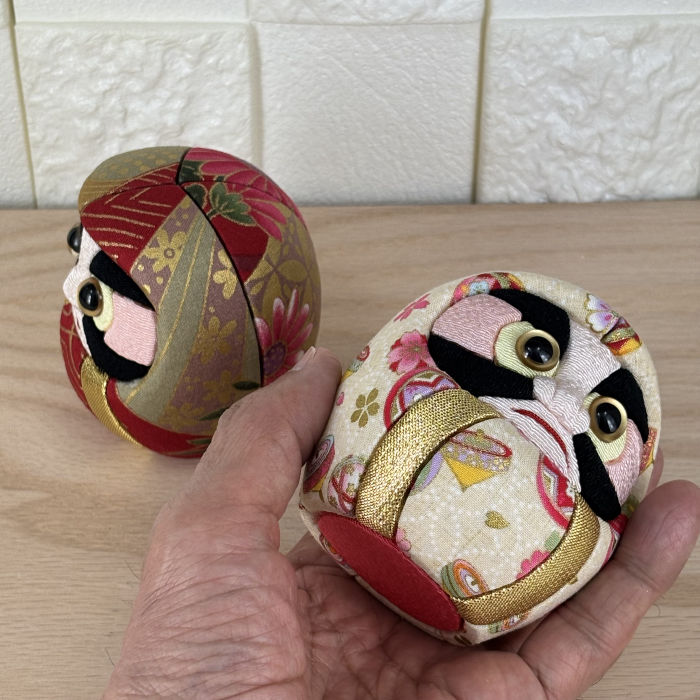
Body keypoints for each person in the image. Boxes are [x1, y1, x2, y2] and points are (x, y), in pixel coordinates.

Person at [103, 347, 699, 699]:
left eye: (605, 419)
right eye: (537, 353)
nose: (557, 400)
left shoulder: (580, 513)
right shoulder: (432, 387)